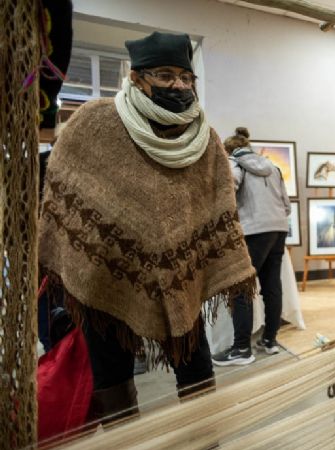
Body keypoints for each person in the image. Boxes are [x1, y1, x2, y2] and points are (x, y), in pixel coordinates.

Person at [38, 32, 256, 424]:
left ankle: (203, 437)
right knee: (112, 376)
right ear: (137, 78)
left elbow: (215, 202)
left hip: (180, 279)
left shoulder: (203, 139)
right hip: (103, 272)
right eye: (166, 75)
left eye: (186, 78)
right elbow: (65, 184)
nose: (179, 85)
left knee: (196, 367)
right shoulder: (96, 122)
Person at [212, 127, 291, 366]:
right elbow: (286, 205)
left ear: (229, 150)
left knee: (241, 287)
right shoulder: (274, 167)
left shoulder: (233, 164)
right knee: (271, 285)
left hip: (253, 231)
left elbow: (227, 193)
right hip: (279, 229)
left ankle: (241, 349)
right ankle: (270, 341)